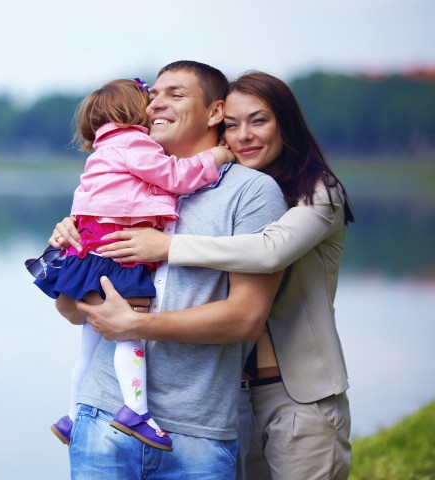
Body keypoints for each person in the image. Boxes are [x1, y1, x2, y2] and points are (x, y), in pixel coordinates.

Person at [83, 71, 355, 479]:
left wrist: (168, 248)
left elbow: (269, 250)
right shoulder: (221, 190)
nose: (243, 135)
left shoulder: (318, 193)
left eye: (259, 121)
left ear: (287, 125)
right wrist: (71, 236)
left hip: (297, 392)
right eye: (232, 124)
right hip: (233, 395)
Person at [50, 61, 287, 479]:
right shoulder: (120, 176)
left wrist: (132, 324)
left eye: (175, 95)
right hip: (100, 418)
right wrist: (70, 245)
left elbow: (246, 318)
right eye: (154, 94)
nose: (156, 103)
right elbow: (70, 312)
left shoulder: (252, 192)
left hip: (196, 433)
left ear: (215, 113)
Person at [25, 77, 235, 452]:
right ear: (133, 112)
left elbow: (86, 204)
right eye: (150, 100)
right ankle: (136, 410)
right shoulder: (133, 142)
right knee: (129, 335)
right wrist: (216, 157)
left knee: (88, 347)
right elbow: (174, 177)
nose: (154, 107)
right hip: (119, 261)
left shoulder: (102, 151)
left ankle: (71, 415)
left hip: (90, 256)